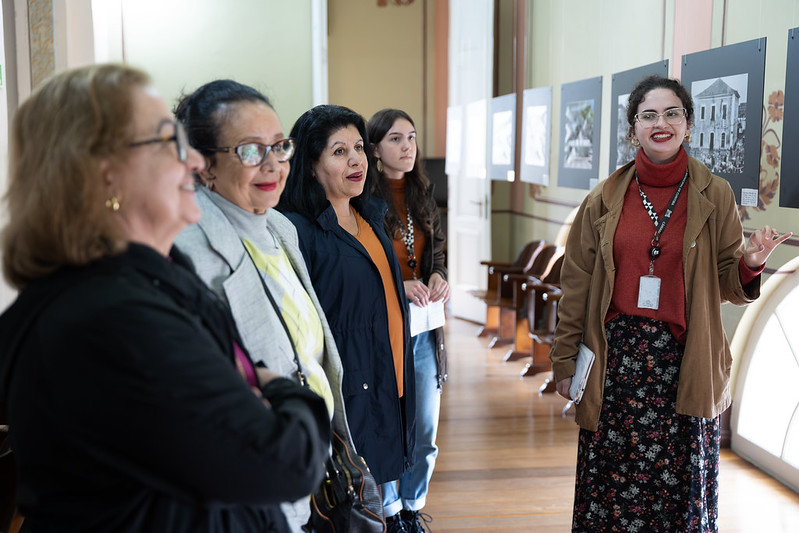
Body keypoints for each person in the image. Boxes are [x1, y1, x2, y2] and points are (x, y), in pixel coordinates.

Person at [0, 64, 330, 533]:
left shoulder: (152, 282)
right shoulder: (112, 318)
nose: (193, 162)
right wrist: (284, 391)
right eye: (169, 143)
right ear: (106, 174)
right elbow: (281, 462)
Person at [549, 74, 791, 532]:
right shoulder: (603, 197)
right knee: (613, 488)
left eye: (672, 113)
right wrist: (564, 360)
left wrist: (750, 263)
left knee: (678, 491)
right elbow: (576, 285)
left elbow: (726, 283)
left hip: (685, 359)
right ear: (632, 128)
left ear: (688, 125)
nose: (661, 123)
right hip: (616, 362)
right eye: (649, 115)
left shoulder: (714, 194)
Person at [173, 80, 358, 532]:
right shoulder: (185, 247)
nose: (274, 163)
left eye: (279, 145)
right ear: (203, 165)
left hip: (311, 452)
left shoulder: (279, 226)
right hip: (251, 471)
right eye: (251, 151)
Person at [276, 104, 416, 531]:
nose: (356, 159)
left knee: (376, 490)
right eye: (339, 152)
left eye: (358, 147)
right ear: (311, 163)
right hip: (346, 386)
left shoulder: (369, 216)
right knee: (348, 499)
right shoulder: (297, 230)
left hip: (389, 373)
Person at [368, 108, 448, 532]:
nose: (407, 147)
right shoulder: (364, 200)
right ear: (376, 149)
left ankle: (413, 507)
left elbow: (438, 255)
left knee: (425, 425)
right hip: (385, 327)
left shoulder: (422, 192)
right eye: (396, 139)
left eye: (412, 138)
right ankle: (391, 510)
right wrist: (400, 284)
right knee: (388, 421)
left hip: (424, 327)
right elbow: (365, 264)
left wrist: (439, 276)